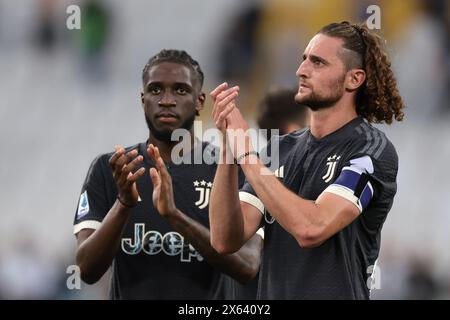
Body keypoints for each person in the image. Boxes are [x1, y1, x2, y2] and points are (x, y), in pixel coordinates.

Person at [209, 21, 405, 299]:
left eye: (318, 62)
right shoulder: (279, 149)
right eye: (303, 60)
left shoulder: (370, 151)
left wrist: (246, 153)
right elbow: (224, 239)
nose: (301, 70)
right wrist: (229, 150)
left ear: (354, 79)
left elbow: (311, 229)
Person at [73, 49, 262, 299]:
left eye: (181, 90)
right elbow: (86, 270)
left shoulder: (232, 170)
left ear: (200, 102)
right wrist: (123, 203)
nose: (167, 100)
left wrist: (175, 217)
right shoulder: (112, 169)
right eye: (156, 90)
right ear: (143, 100)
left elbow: (248, 265)